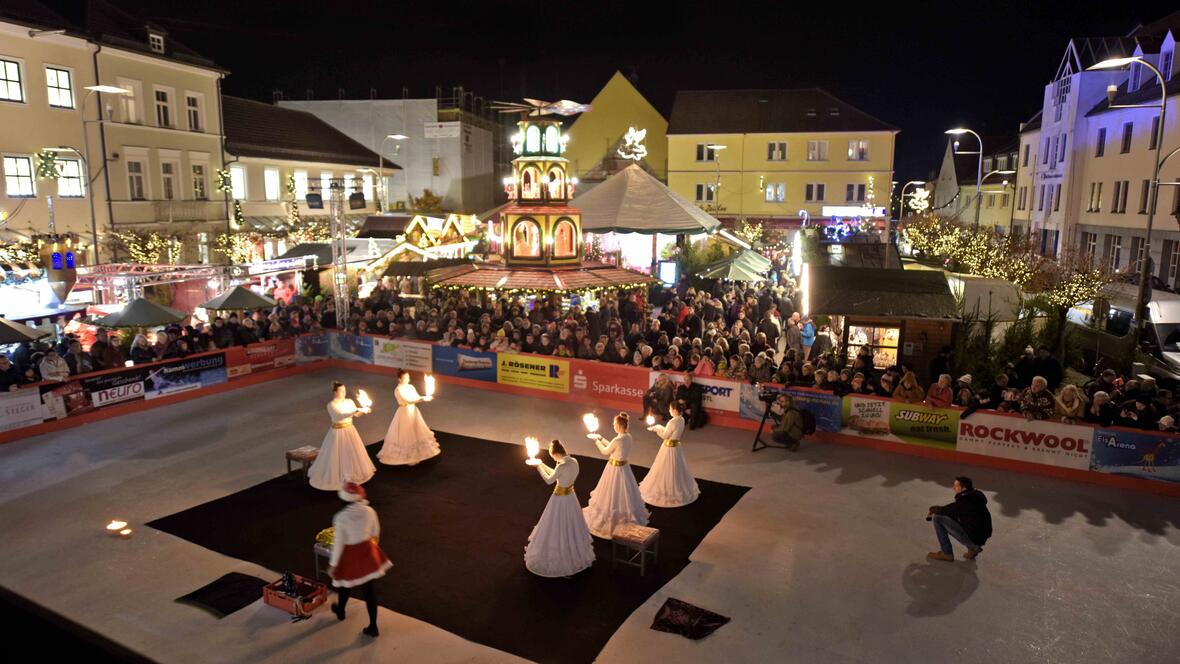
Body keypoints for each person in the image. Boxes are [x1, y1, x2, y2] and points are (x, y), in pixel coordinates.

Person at [327, 482, 391, 638]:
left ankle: (341, 610)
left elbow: (339, 543)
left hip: (349, 555)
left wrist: (333, 565)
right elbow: (376, 532)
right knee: (369, 591)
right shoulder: (370, 511)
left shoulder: (340, 518)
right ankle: (373, 626)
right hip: (367, 552)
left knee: (344, 585)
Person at [524, 439, 595, 577]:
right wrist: (542, 463)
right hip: (571, 497)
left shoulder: (561, 466)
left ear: (556, 454)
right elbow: (557, 475)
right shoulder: (573, 461)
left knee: (556, 525)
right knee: (571, 524)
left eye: (552, 457)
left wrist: (538, 467)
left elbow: (549, 480)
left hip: (559, 499)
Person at [583, 412, 650, 539]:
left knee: (612, 492)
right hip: (624, 468)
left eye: (614, 424)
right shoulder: (627, 436)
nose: (613, 426)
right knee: (625, 493)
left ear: (619, 426)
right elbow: (614, 446)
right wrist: (601, 438)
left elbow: (605, 451)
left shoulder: (617, 439)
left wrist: (596, 441)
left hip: (614, 470)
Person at [309, 381, 377, 490]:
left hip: (350, 430)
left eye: (345, 390)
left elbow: (355, 415)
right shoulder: (331, 405)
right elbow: (340, 415)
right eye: (341, 391)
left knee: (351, 452)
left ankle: (352, 473)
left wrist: (363, 411)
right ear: (335, 392)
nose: (344, 393)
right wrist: (357, 409)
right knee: (337, 453)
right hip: (337, 432)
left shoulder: (349, 401)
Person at [639, 402, 700, 507]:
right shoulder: (681, 419)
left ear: (675, 410)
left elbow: (665, 435)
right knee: (676, 468)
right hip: (676, 447)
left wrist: (657, 428)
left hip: (668, 449)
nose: (669, 411)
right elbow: (671, 432)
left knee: (665, 468)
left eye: (671, 409)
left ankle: (667, 491)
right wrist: (658, 427)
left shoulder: (672, 422)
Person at [377, 369, 439, 466]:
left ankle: (418, 453)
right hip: (404, 412)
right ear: (399, 379)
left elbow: (416, 397)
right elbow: (408, 400)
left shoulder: (411, 387)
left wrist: (424, 398)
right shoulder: (398, 390)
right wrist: (422, 398)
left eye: (408, 377)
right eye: (405, 378)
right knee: (407, 433)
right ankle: (407, 457)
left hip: (413, 411)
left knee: (416, 430)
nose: (407, 379)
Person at [926, 476, 992, 562]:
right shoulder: (974, 496)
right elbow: (953, 511)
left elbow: (946, 510)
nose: (953, 487)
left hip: (975, 537)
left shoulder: (965, 502)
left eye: (956, 486)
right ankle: (972, 549)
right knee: (952, 516)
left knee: (937, 518)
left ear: (964, 488)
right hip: (980, 535)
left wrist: (934, 509)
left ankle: (947, 553)